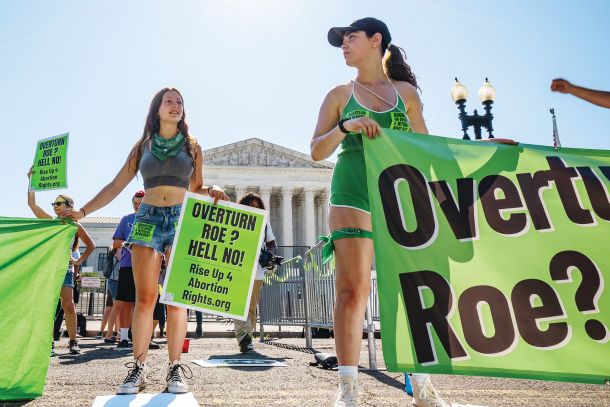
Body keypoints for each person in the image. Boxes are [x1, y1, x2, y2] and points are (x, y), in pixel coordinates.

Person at [310, 18, 452, 407]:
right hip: (352, 188)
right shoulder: (339, 94)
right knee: (352, 291)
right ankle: (348, 389)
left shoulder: (405, 92)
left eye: (350, 37)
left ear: (376, 41)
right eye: (341, 41)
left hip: (398, 191)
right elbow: (317, 150)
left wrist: (487, 150)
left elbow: (426, 145)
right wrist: (346, 125)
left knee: (411, 290)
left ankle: (422, 387)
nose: (344, 45)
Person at [65, 87, 228, 395]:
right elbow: (116, 184)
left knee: (177, 299)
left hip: (181, 218)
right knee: (145, 298)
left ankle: (174, 368)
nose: (175, 105)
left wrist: (214, 188)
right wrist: (83, 211)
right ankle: (138, 369)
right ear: (157, 109)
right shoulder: (144, 146)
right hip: (148, 219)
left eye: (180, 102)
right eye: (169, 101)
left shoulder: (192, 146)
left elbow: (197, 187)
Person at [26, 177, 96, 355]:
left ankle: (73, 342)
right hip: (49, 269)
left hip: (65, 270)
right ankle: (47, 343)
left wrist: (78, 261)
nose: (55, 206)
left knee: (69, 305)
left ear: (69, 206)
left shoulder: (75, 225)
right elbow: (32, 204)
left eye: (59, 203)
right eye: (54, 203)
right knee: (48, 306)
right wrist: (31, 180)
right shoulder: (50, 221)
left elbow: (91, 246)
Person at [232, 192, 277, 353]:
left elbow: (272, 243)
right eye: (251, 206)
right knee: (239, 304)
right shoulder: (236, 220)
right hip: (238, 267)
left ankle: (247, 336)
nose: (254, 209)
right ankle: (243, 337)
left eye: (257, 207)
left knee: (251, 307)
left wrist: (270, 255)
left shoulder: (264, 223)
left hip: (257, 270)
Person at [111, 190, 145, 350]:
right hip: (128, 265)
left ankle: (144, 337)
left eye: (140, 203)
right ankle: (124, 337)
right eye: (135, 203)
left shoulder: (155, 220)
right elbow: (116, 243)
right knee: (127, 302)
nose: (137, 206)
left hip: (148, 267)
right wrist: (129, 241)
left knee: (146, 302)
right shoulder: (126, 220)